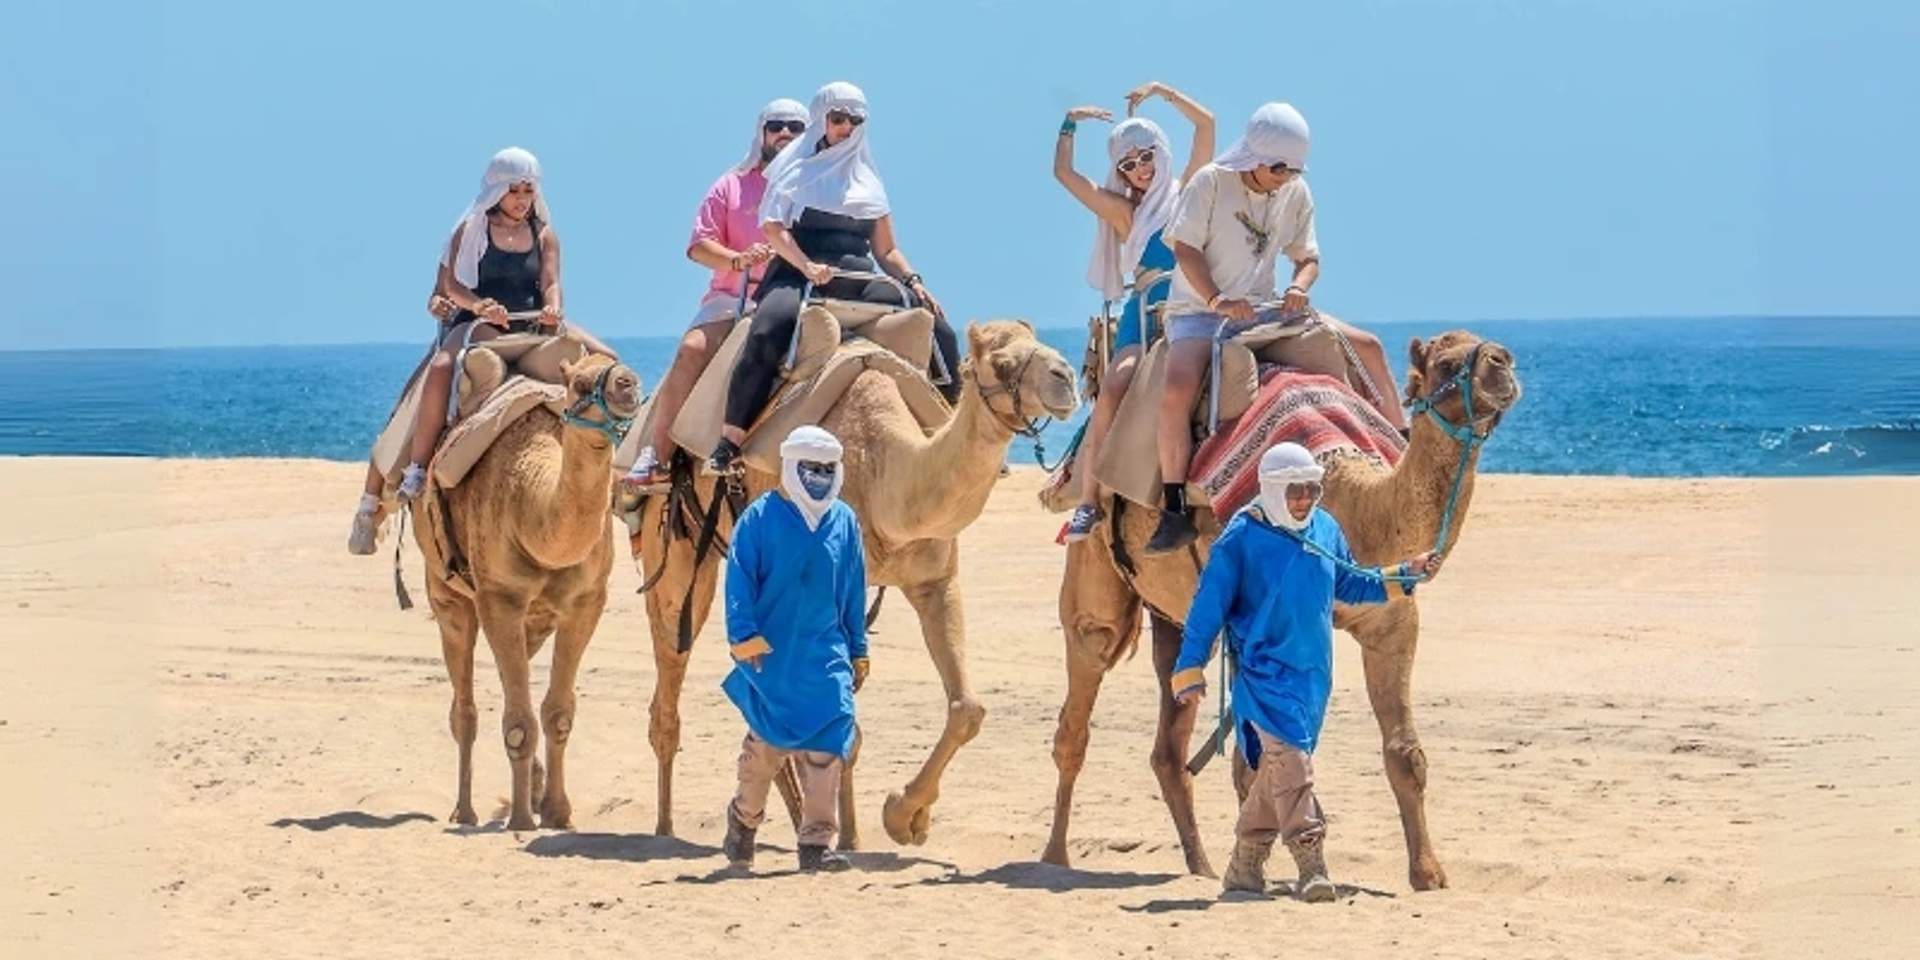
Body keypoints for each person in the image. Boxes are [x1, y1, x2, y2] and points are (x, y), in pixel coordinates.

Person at [1170, 443, 1441, 900]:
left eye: (1312, 490)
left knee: (1278, 768)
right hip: (1262, 674)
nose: (1304, 499)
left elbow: (1350, 581)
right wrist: (1190, 668)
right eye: (1295, 490)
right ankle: (1312, 862)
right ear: (1273, 489)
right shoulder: (1240, 539)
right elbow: (1206, 609)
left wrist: (1404, 575)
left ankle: (1244, 863)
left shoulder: (1324, 528)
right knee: (1293, 764)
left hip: (1312, 675)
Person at [1142, 103, 1404, 555]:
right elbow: (1185, 250)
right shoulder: (1210, 182)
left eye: (1294, 168)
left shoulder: (1295, 192)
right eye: (1279, 167)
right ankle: (1174, 507)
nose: (1286, 176)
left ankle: (1400, 455)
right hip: (1198, 312)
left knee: (1369, 348)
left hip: (1266, 312)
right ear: (1253, 156)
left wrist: (1299, 287)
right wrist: (1217, 300)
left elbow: (1308, 258)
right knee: (1177, 390)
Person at [346, 147, 613, 554]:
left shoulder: (545, 234)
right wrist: (478, 306)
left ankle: (628, 461)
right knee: (438, 369)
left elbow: (552, 280)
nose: (522, 199)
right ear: (496, 191)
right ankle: (415, 468)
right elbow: (450, 287)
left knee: (606, 361)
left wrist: (554, 304)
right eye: (514, 191)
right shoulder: (470, 230)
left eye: (528, 190)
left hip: (532, 325)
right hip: (479, 328)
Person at [705, 81, 958, 476]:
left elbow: (886, 251)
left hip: (858, 279)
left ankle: (954, 431)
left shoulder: (868, 180)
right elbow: (774, 231)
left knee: (939, 329)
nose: (846, 128)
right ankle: (730, 440)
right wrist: (806, 266)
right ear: (822, 120)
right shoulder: (795, 169)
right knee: (769, 328)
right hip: (797, 272)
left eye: (855, 121)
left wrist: (914, 282)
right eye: (838, 119)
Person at [1054, 82, 1214, 542]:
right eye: (1128, 164)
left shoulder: (1191, 192)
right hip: (1143, 313)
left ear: (1160, 152)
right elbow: (1065, 174)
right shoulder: (1126, 212)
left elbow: (1206, 125)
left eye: (1145, 156)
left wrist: (1165, 92)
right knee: (1115, 385)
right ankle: (1088, 502)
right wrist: (1069, 123)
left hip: (1195, 306)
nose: (1140, 169)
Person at [624, 98, 808, 486]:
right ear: (762, 132)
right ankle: (657, 457)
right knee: (692, 349)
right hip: (734, 299)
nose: (786, 134)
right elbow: (699, 245)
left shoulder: (818, 186)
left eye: (796, 126)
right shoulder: (731, 185)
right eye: (777, 125)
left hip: (804, 296)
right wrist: (739, 260)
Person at [720, 426, 870, 873]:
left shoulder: (844, 520)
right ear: (791, 467)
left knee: (829, 745)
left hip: (826, 656)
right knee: (767, 748)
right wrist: (743, 635)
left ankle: (816, 845)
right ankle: (743, 823)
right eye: (811, 469)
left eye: (828, 469)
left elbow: (853, 588)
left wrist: (858, 647)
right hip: (771, 655)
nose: (820, 477)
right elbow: (739, 580)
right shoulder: (760, 519)